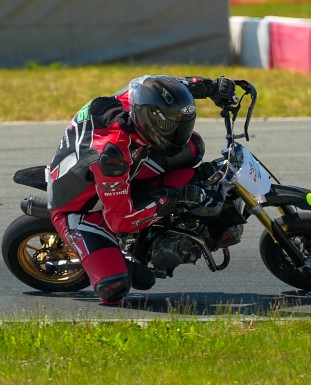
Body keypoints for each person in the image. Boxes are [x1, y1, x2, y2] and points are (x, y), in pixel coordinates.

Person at [47, 74, 237, 306]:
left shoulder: (140, 96)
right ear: (149, 120)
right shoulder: (111, 156)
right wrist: (173, 198)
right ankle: (121, 261)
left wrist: (212, 86)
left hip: (124, 165)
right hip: (84, 209)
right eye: (168, 126)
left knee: (194, 148)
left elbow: (172, 88)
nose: (178, 131)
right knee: (114, 289)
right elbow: (120, 221)